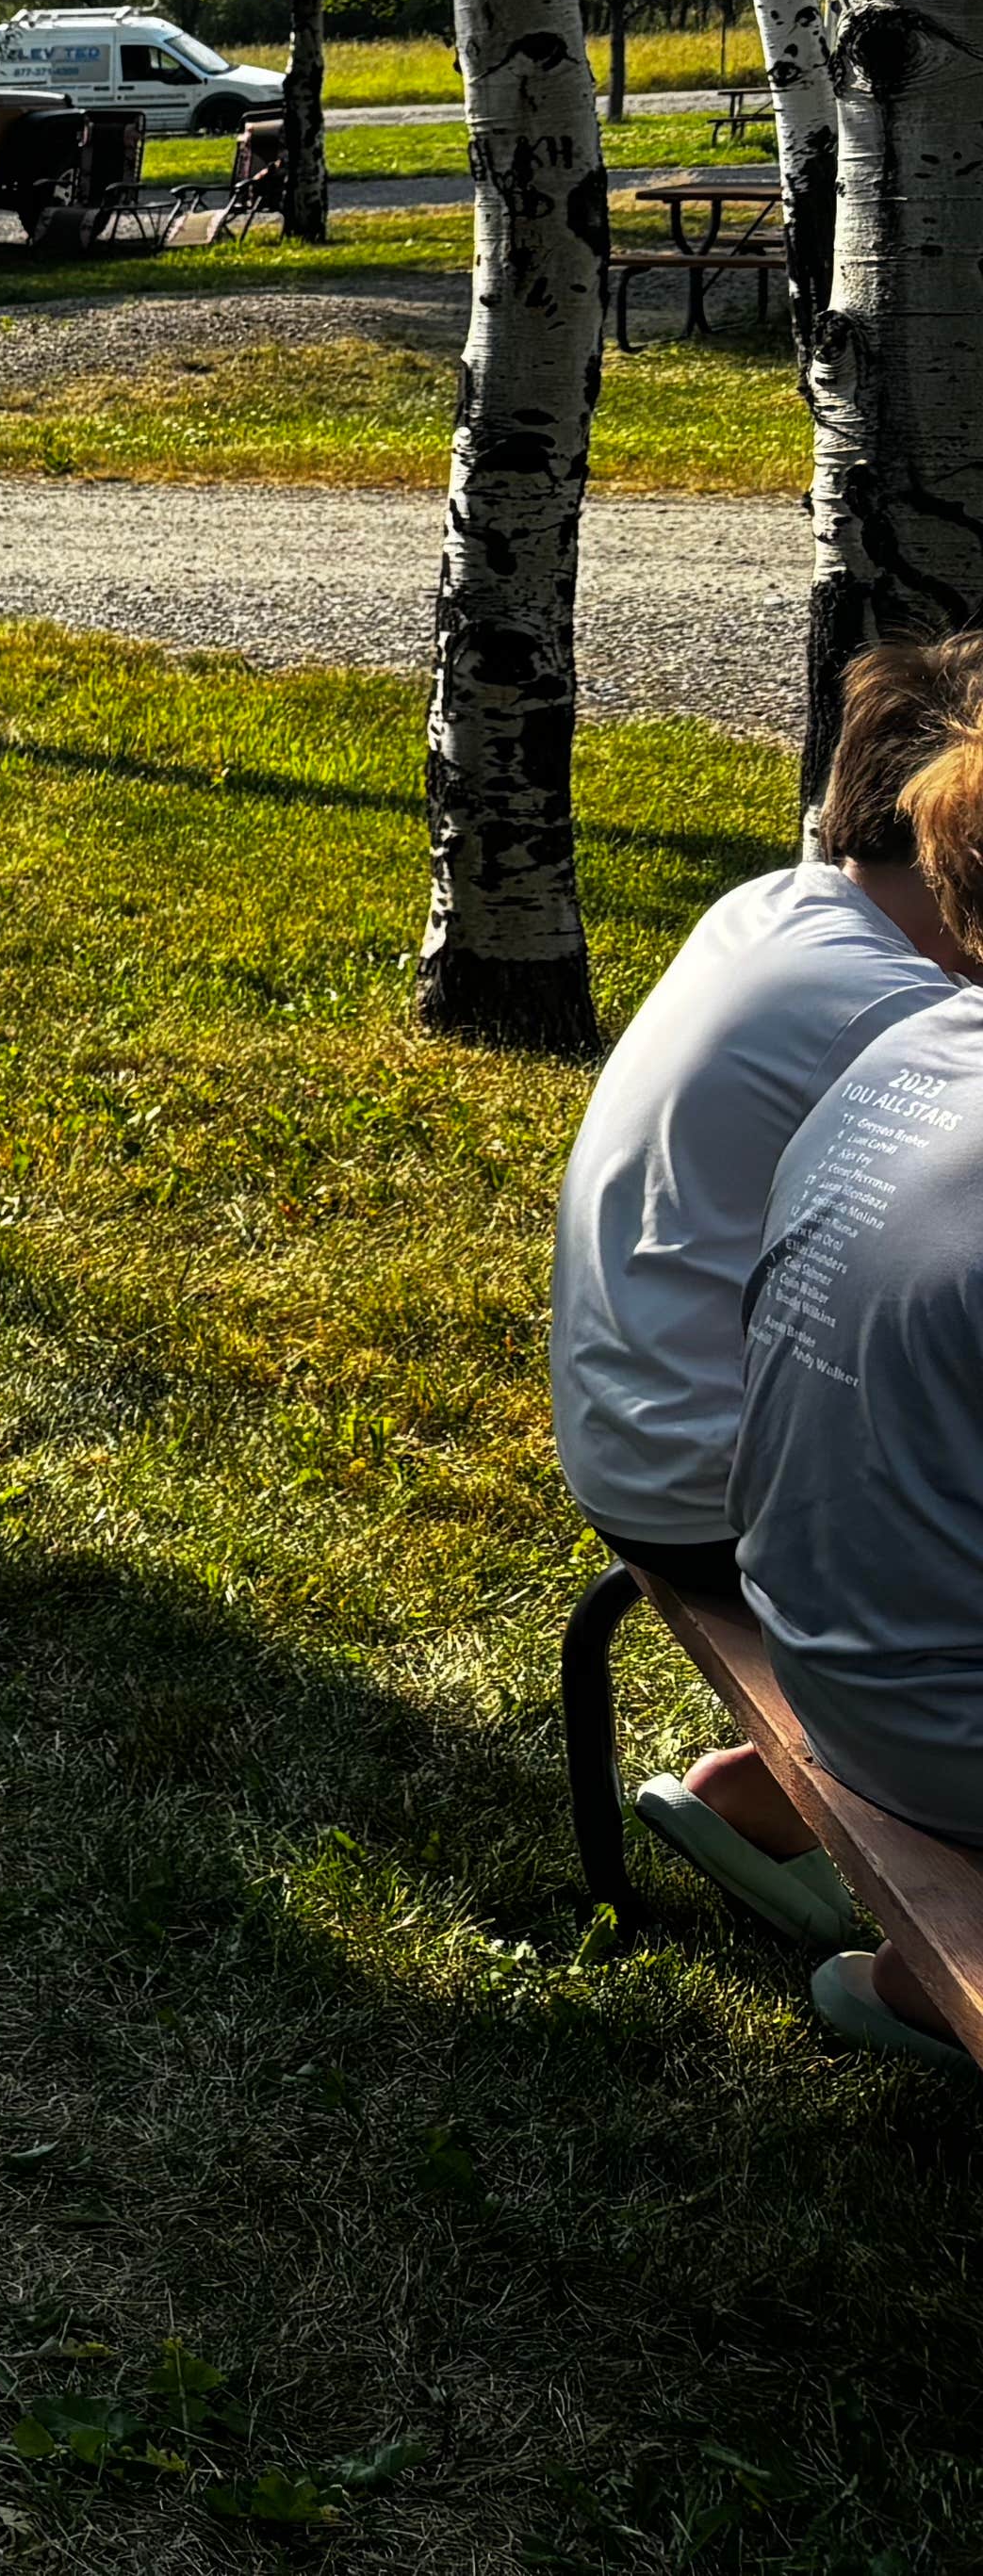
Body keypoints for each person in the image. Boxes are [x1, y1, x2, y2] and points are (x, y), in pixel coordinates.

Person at [561, 634, 983, 1942]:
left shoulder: (774, 910)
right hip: (721, 1488)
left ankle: (760, 1797)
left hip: (636, 1427)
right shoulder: (902, 1019)